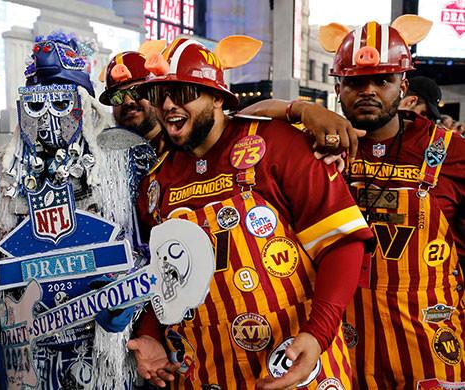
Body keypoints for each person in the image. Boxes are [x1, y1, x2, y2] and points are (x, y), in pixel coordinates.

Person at [127, 37, 372, 389]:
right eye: (159, 95)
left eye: (181, 94)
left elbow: (341, 243)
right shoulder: (156, 180)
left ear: (216, 96)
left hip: (295, 365)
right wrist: (149, 334)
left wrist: (317, 335)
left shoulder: (277, 143)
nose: (167, 105)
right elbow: (161, 275)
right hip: (203, 372)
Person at [247, 15, 465, 387]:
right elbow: (243, 118)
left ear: (404, 86)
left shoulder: (450, 151)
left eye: (383, 80)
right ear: (337, 87)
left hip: (430, 340)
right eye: (355, 82)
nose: (369, 91)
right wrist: (302, 110)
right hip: (335, 335)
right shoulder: (310, 144)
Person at [99, 50, 165, 153]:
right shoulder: (106, 153)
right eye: (117, 96)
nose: (128, 102)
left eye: (137, 91)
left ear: (156, 93)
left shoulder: (181, 149)